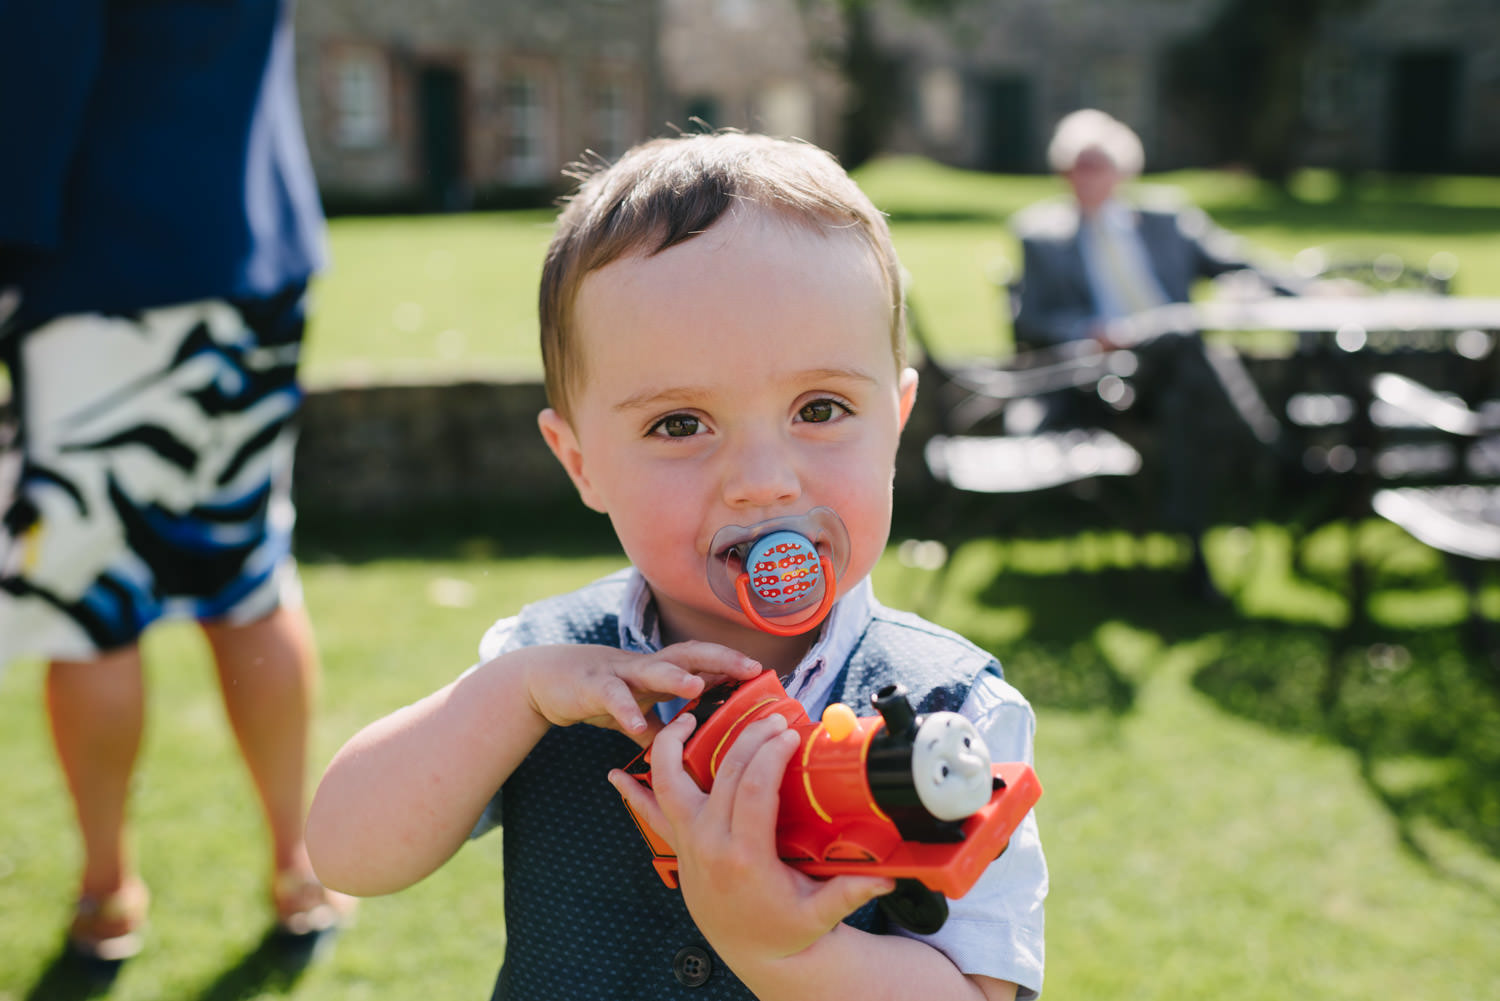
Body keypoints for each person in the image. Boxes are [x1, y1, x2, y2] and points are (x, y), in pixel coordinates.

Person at [306, 131, 1047, 1001]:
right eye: (680, 424)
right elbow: (348, 850)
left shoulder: (954, 710)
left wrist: (789, 957)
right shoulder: (546, 668)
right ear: (580, 461)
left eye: (820, 407)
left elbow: (985, 990)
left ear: (896, 419)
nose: (763, 483)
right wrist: (509, 692)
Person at [0, 0, 353, 962]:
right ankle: (300, 869)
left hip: (98, 266)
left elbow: (33, 72)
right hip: (259, 248)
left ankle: (108, 891)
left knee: (94, 603)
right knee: (248, 572)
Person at [1011, 108, 1301, 594]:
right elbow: (1030, 320)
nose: (1087, 177)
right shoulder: (1041, 235)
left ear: (1125, 171)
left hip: (1174, 374)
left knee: (1183, 400)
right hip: (1102, 376)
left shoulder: (1167, 219)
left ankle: (1194, 558)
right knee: (1182, 332)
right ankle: (1269, 453)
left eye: (1098, 165)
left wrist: (1308, 290)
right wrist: (1090, 330)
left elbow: (1237, 261)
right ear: (1062, 173)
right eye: (1077, 166)